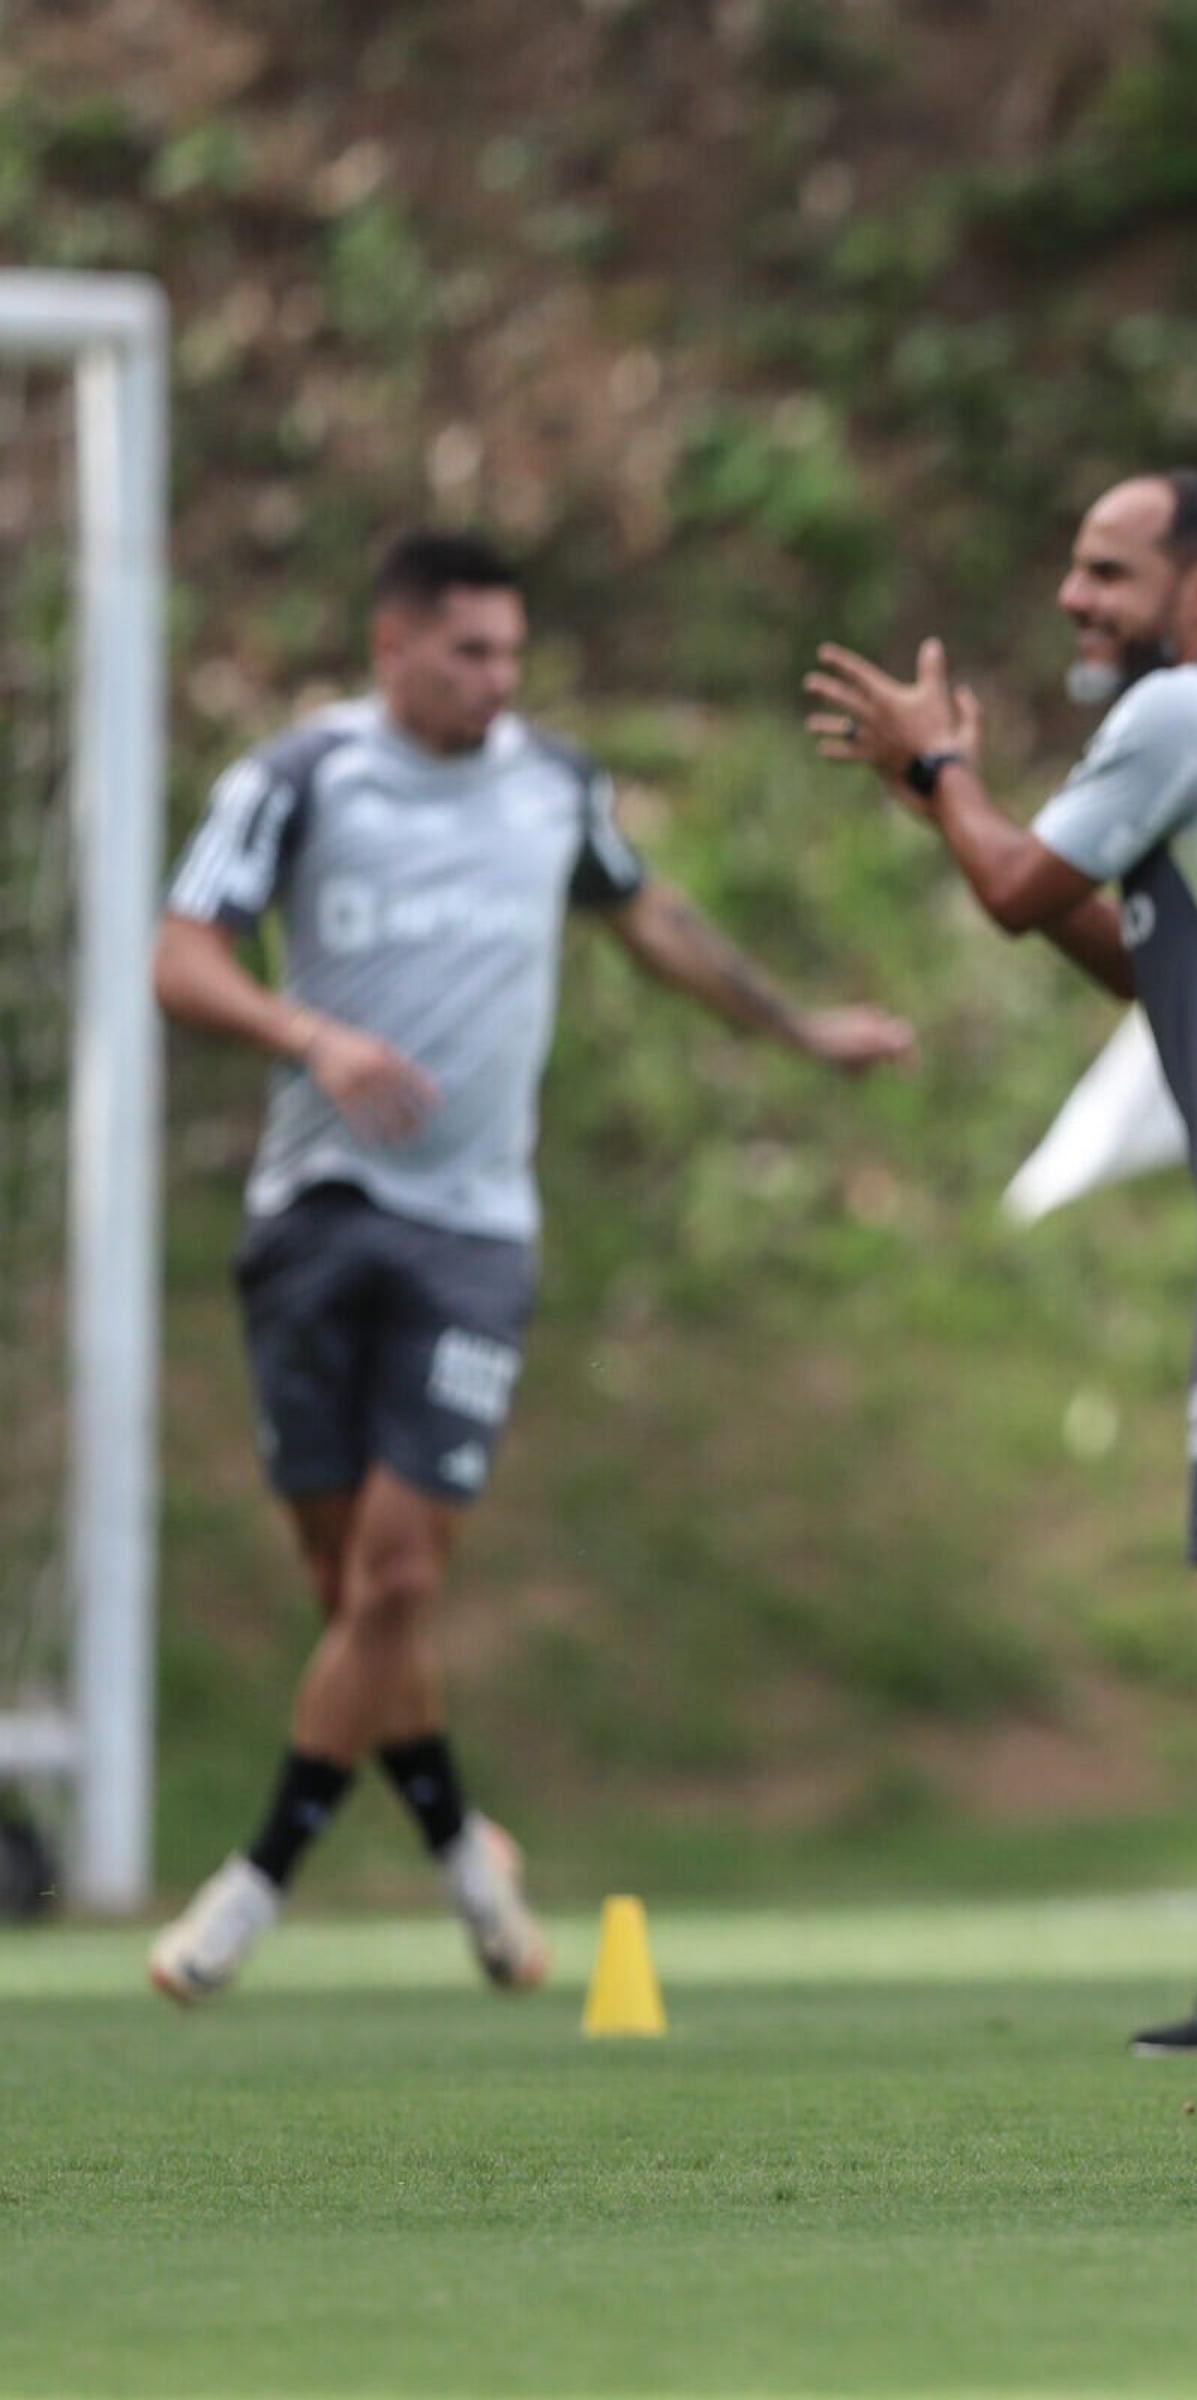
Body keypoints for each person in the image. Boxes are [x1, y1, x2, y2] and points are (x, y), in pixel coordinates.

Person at [143, 531, 914, 2003]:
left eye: (512, 651)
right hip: (312, 1214)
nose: (501, 680)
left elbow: (652, 922)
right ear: (393, 649)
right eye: (470, 652)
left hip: (473, 1235)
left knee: (397, 1573)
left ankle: (252, 1889)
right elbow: (181, 956)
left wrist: (804, 1030)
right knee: (351, 1594)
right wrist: (315, 1036)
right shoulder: (299, 779)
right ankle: (462, 1859)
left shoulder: (554, 784)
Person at [804, 471, 1197, 2057]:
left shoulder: (1183, 718)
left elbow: (1024, 887)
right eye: (1073, 568)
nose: (1075, 599)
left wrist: (943, 771)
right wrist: (942, 798)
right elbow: (1136, 960)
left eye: (1111, 572)